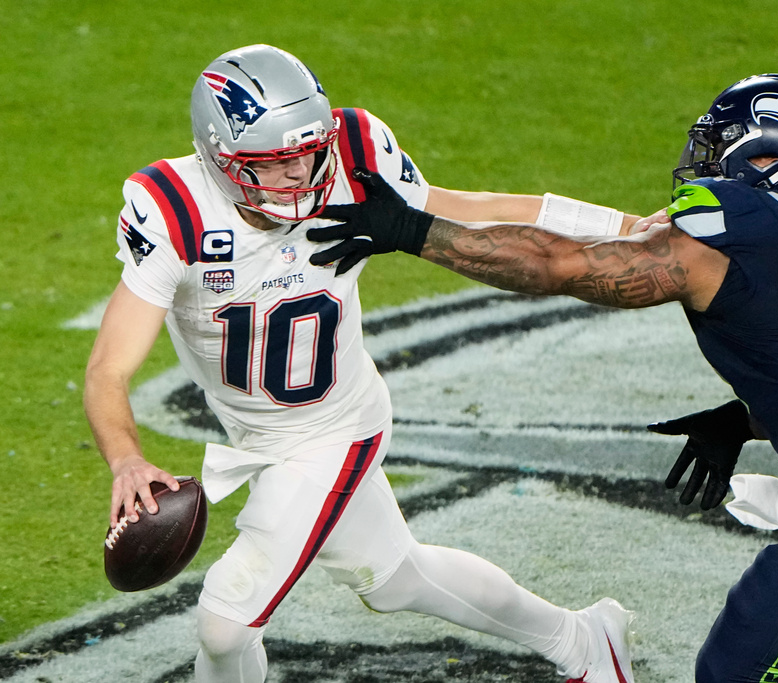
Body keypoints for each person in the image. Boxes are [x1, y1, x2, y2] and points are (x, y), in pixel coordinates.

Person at [309, 73, 778, 682]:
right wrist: (746, 418)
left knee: (737, 670)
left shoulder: (735, 221)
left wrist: (415, 231)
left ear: (773, 147)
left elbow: (557, 265)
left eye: (725, 142)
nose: (706, 160)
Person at [83, 44, 639, 683]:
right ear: (220, 158)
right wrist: (126, 458)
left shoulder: (354, 154)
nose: (299, 173)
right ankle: (585, 638)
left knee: (226, 621)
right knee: (397, 577)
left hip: (336, 428)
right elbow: (108, 368)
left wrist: (629, 229)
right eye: (275, 161)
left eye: (307, 152)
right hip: (259, 431)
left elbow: (476, 209)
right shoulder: (174, 209)